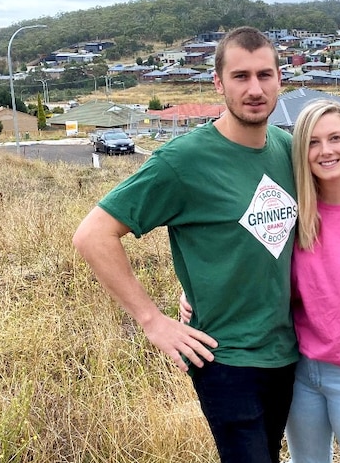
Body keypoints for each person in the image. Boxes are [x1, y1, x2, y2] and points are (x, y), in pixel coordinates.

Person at [72, 26, 299, 463]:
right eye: (240, 76)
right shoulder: (182, 161)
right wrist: (152, 320)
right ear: (218, 82)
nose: (255, 89)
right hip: (227, 359)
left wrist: (198, 279)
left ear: (279, 79)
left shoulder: (287, 148)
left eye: (265, 75)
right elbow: (93, 235)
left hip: (288, 351)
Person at [181, 99, 340, 462]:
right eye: (313, 142)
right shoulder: (296, 212)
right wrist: (196, 293)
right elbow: (248, 261)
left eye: (335, 138)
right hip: (300, 374)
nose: (326, 150)